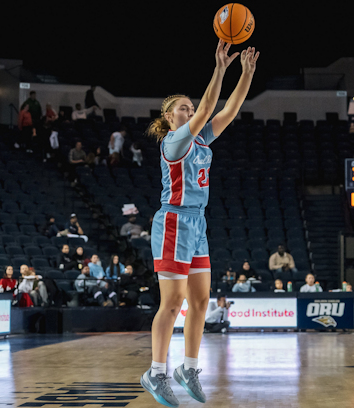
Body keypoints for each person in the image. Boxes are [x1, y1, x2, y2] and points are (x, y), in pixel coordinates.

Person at [142, 40, 259, 407]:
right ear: (170, 117)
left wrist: (247, 74)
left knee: (201, 300)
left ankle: (187, 368)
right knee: (172, 302)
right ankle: (156, 372)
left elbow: (228, 110)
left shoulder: (202, 139)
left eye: (191, 107)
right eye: (183, 108)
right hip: (174, 222)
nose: (191, 110)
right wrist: (221, 67)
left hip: (197, 224)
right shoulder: (174, 142)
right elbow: (210, 105)